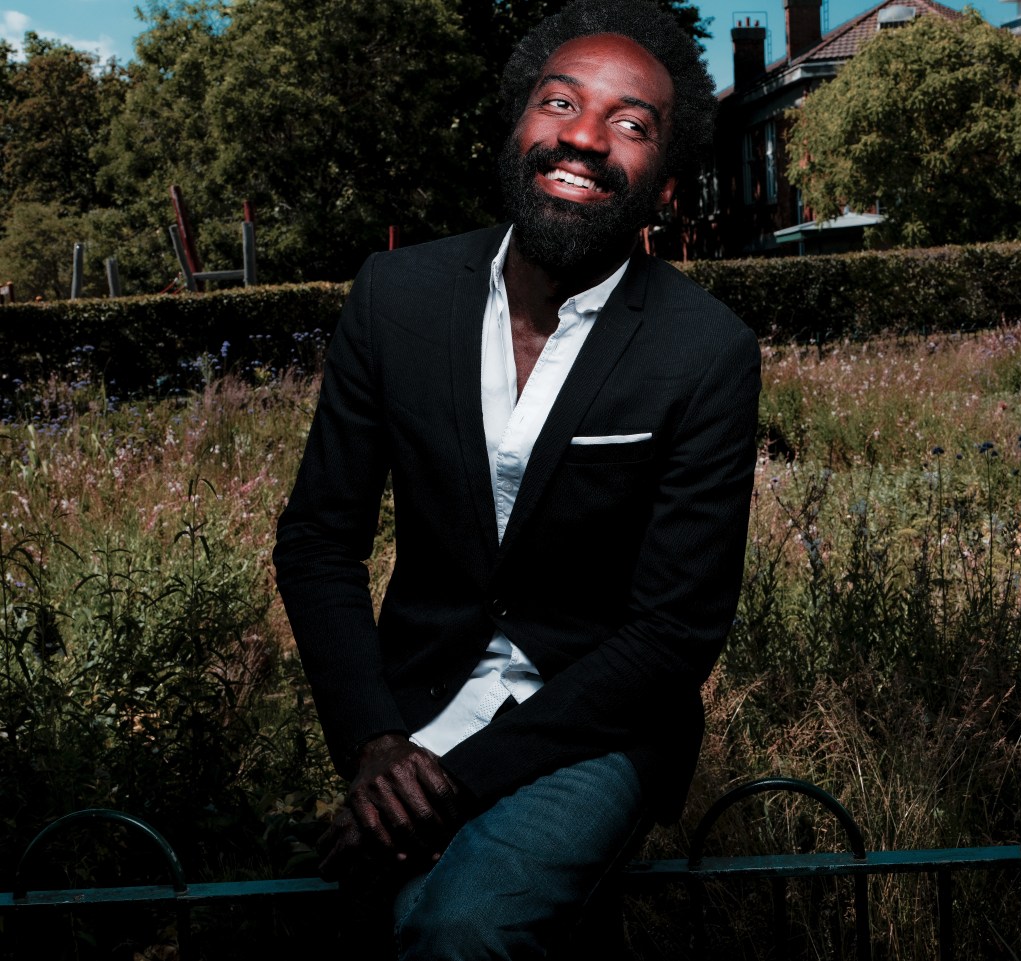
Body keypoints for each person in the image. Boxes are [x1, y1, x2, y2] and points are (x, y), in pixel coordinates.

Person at [273, 0, 761, 956]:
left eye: (630, 124)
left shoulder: (707, 352)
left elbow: (673, 632)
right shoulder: (396, 297)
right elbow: (319, 541)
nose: (584, 136)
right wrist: (377, 741)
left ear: (664, 185)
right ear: (517, 129)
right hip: (416, 706)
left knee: (459, 929)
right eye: (560, 103)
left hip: (598, 726)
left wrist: (454, 782)